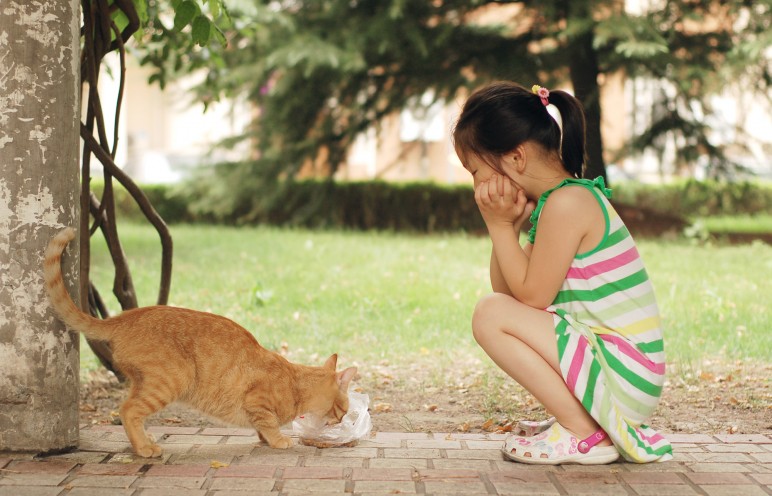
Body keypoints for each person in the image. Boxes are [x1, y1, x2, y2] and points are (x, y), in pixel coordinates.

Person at [452, 81, 673, 465]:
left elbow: (529, 299)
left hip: (626, 374)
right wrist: (507, 228)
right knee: (494, 308)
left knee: (488, 313)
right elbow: (510, 292)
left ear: (516, 158)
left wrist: (501, 229)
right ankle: (583, 420)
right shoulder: (558, 200)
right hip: (621, 372)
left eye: (475, 170)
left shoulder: (569, 204)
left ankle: (586, 433)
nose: (476, 185)